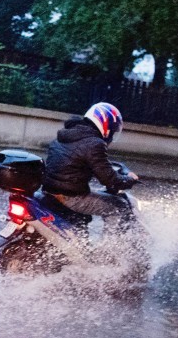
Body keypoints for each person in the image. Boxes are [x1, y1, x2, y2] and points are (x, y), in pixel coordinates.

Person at [41, 102, 139, 247]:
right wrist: (130, 179)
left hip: (50, 191)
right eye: (112, 129)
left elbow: (76, 161)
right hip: (71, 197)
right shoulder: (94, 143)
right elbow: (110, 180)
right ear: (104, 125)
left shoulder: (65, 135)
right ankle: (111, 251)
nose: (112, 134)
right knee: (120, 207)